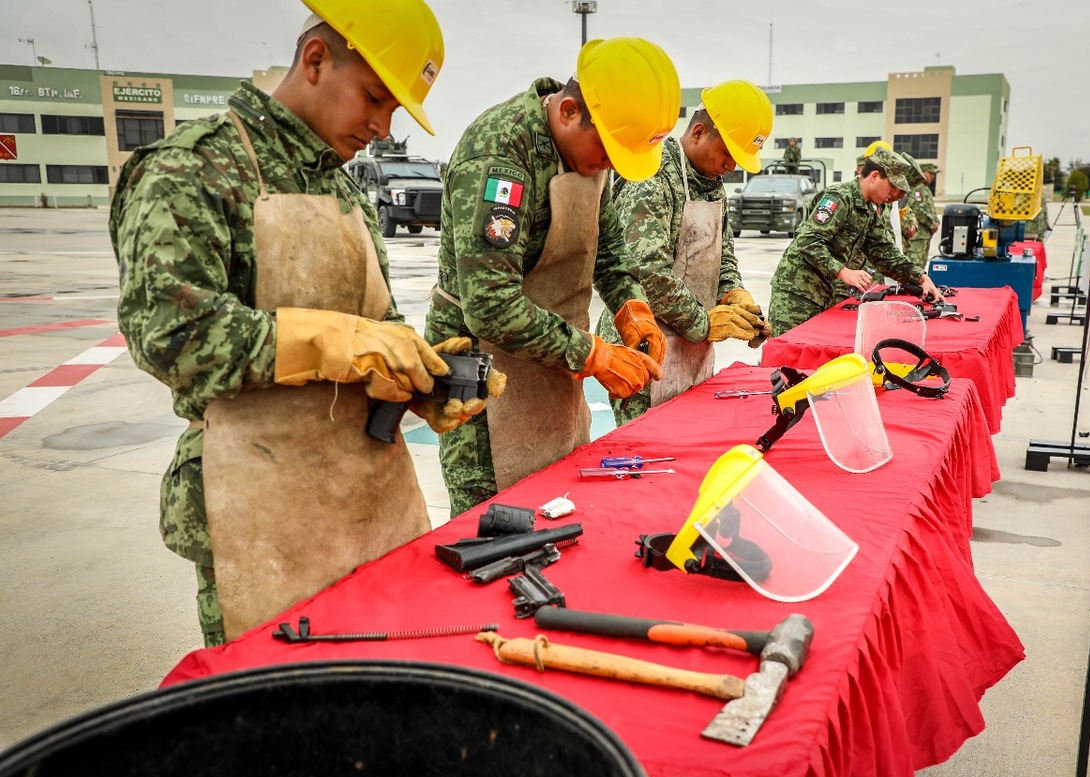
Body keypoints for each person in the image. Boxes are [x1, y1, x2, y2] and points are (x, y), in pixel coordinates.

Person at [111, 1, 503, 646]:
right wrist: (328, 340)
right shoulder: (193, 168)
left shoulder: (345, 190)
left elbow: (378, 324)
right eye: (374, 97)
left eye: (395, 112)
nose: (380, 125)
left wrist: (419, 374)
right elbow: (170, 338)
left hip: (366, 492)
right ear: (316, 59)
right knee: (276, 710)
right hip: (256, 500)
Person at [425, 37, 678, 517]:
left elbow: (607, 251)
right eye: (606, 151)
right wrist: (593, 353)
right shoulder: (500, 156)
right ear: (567, 112)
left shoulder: (587, 148)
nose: (607, 165)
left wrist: (632, 308)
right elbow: (491, 307)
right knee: (495, 525)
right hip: (478, 369)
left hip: (554, 359)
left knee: (557, 502)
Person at [595, 79, 773, 425]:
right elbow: (644, 271)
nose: (732, 167)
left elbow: (723, 252)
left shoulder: (712, 185)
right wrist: (703, 322)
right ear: (698, 132)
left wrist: (733, 293)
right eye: (728, 154)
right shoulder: (653, 177)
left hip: (692, 346)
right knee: (646, 451)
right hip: (645, 346)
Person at [768, 148, 944, 336]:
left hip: (823, 294)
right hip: (796, 295)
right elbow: (807, 240)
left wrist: (920, 277)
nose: (895, 195)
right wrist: (843, 271)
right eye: (893, 187)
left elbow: (883, 252)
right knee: (785, 357)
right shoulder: (840, 197)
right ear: (875, 176)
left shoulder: (870, 209)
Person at [902, 162, 940, 266]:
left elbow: (930, 209)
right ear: (922, 173)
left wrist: (936, 221)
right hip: (918, 235)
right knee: (915, 263)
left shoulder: (925, 189)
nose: (932, 177)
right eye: (930, 173)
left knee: (922, 264)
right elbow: (918, 209)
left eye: (934, 174)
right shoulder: (917, 188)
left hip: (925, 235)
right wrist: (932, 224)